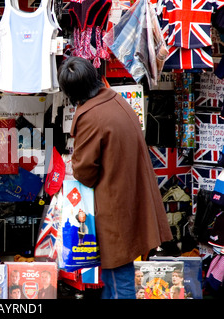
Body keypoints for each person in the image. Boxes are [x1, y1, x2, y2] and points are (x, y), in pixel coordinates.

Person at [57, 56, 173, 299]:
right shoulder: (114, 100)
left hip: (114, 208)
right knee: (116, 278)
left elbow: (85, 172)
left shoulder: (91, 115)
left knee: (119, 281)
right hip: (129, 199)